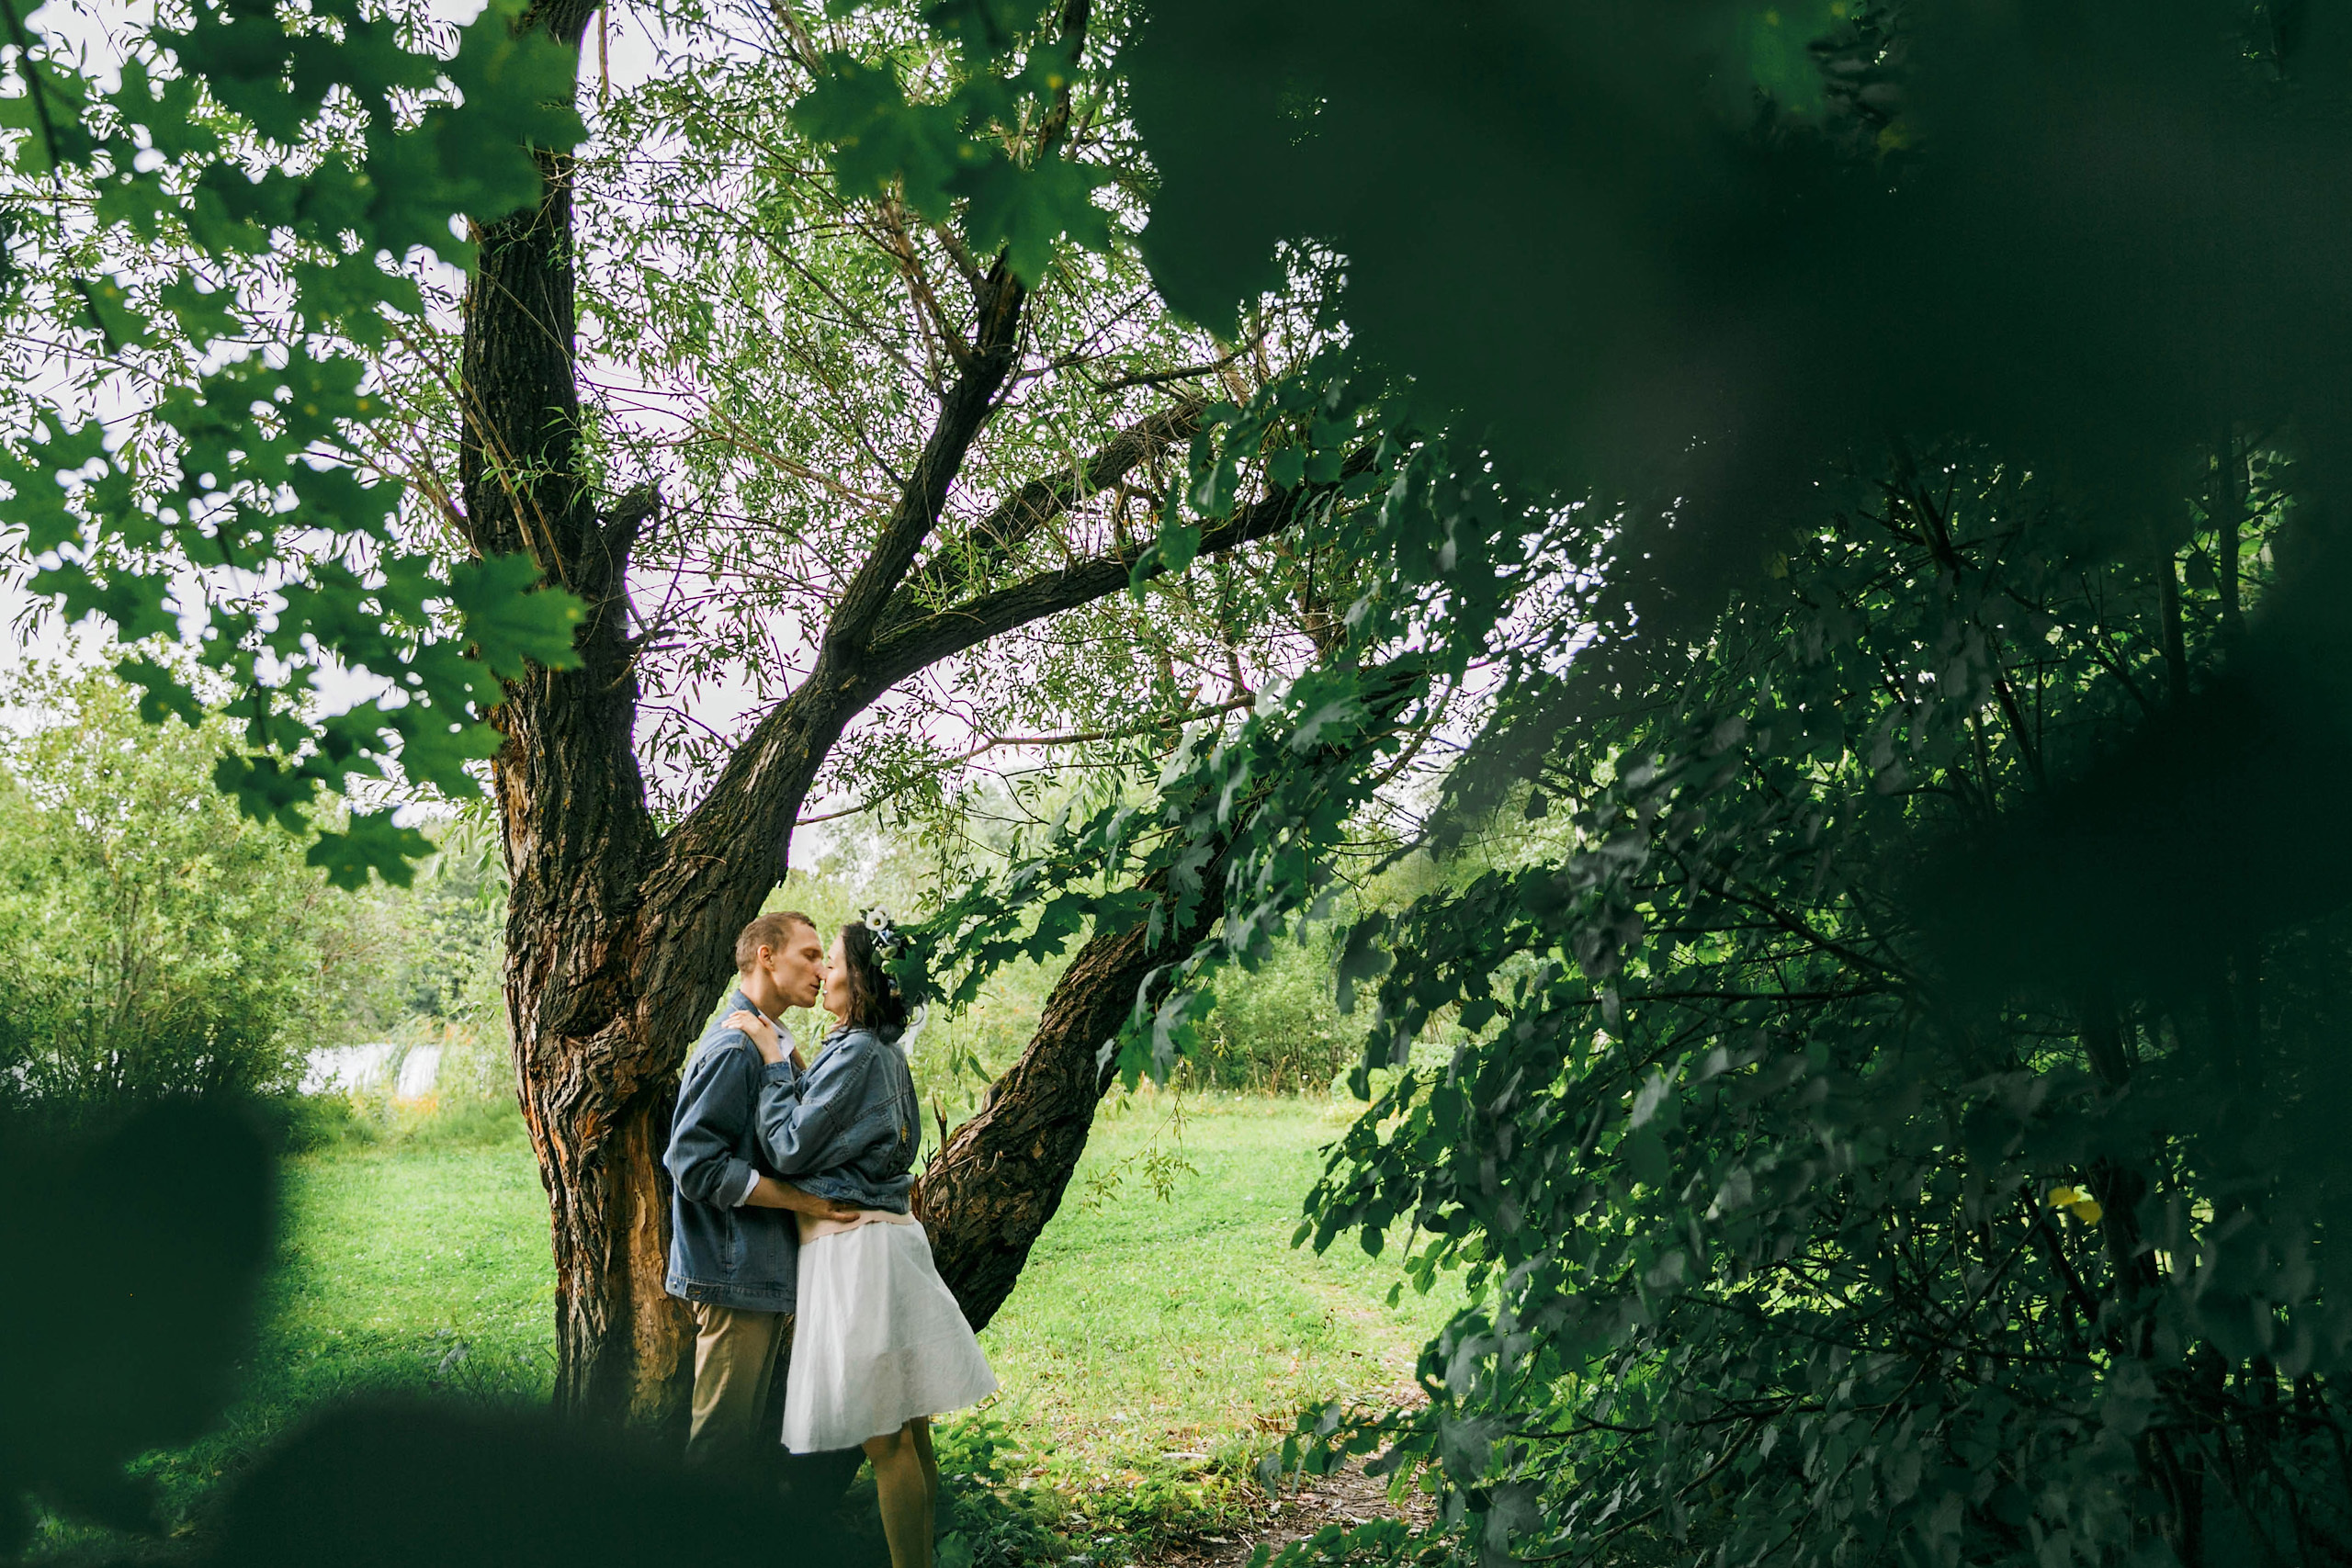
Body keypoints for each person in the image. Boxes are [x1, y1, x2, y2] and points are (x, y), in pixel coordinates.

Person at [727, 911, 996, 1568]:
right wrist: (791, 1056)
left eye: (836, 961)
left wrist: (768, 1061)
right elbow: (833, 1121)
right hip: (885, 1245)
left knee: (885, 1440)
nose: (825, 971)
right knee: (910, 1433)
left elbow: (789, 1144)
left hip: (857, 1256)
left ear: (865, 977)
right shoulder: (876, 1051)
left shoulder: (855, 1054)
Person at [662, 909, 856, 1473]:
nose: (821, 970)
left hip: (756, 1274)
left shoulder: (767, 1042)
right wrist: (804, 1202)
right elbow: (693, 1165)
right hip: (733, 1276)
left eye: (825, 958)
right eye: (810, 955)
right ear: (766, 957)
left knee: (735, 1445)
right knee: (717, 1451)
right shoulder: (733, 1050)